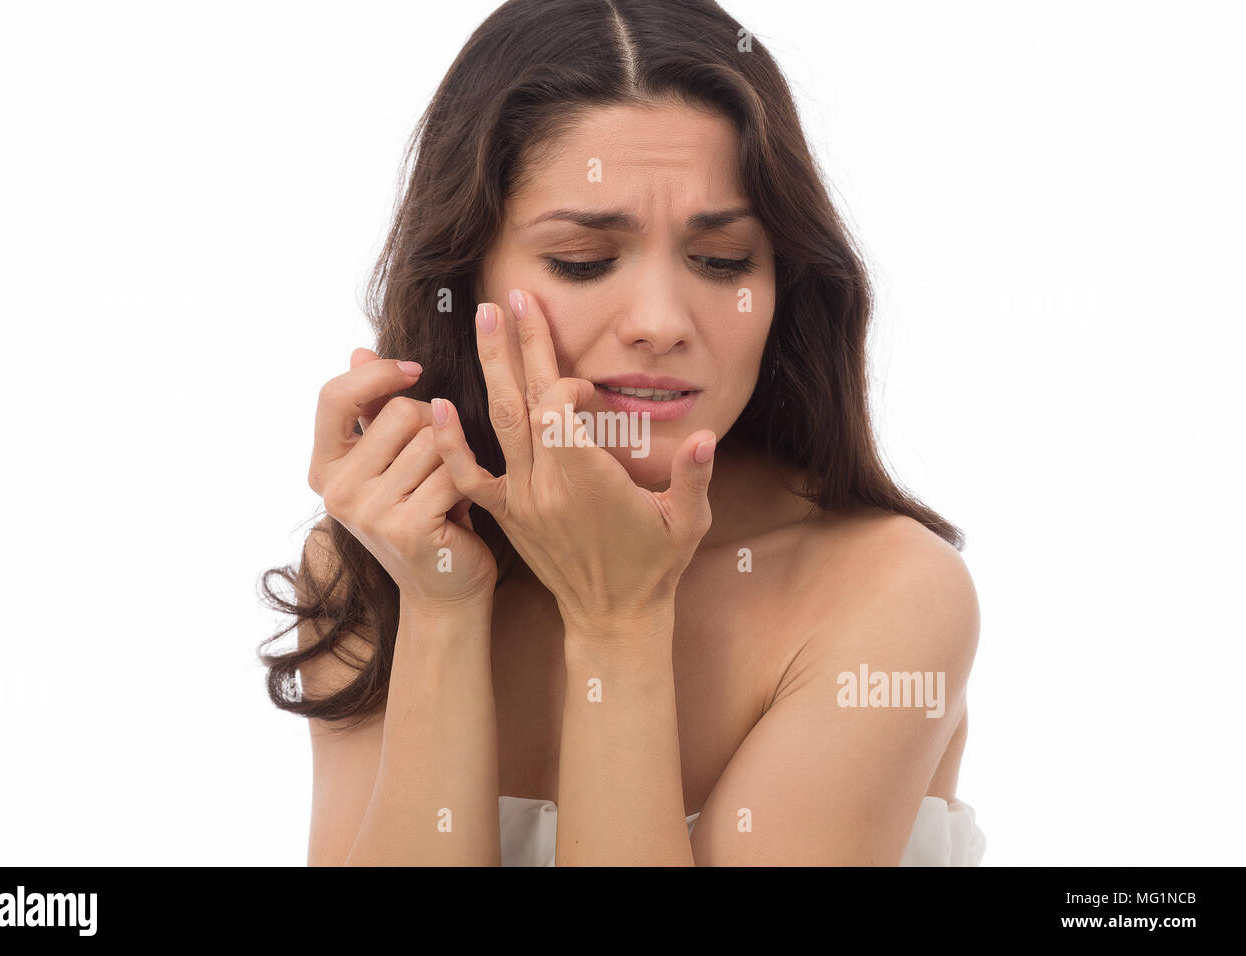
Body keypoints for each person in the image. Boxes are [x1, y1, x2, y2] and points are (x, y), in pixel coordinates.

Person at [259, 0, 986, 866]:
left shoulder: (890, 594)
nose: (658, 322)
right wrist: (442, 611)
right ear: (466, 278)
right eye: (583, 261)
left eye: (722, 262)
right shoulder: (377, 564)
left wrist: (619, 622)